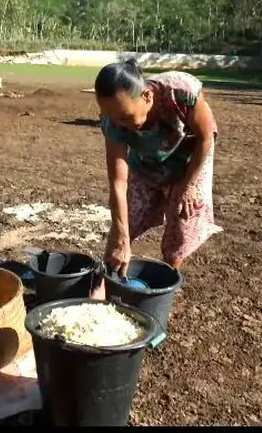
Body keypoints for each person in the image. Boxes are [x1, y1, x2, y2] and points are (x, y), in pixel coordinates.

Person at [91, 58, 222, 298]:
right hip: (147, 160)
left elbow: (205, 139)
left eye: (127, 117)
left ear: (147, 97)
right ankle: (104, 282)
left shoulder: (180, 92)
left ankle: (165, 280)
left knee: (183, 218)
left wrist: (188, 185)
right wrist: (122, 236)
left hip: (189, 159)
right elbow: (118, 182)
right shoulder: (113, 121)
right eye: (113, 118)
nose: (121, 125)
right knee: (125, 221)